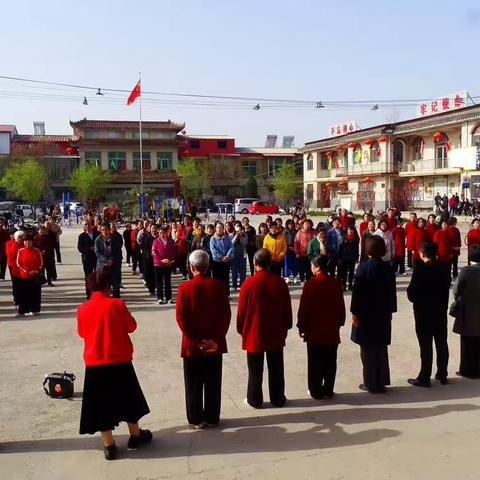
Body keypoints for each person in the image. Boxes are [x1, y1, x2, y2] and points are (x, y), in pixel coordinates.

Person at [77, 272, 152, 460]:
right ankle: (135, 436)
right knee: (128, 399)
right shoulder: (117, 304)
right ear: (108, 286)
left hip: (95, 361)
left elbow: (81, 333)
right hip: (119, 359)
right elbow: (131, 326)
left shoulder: (82, 308)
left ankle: (109, 445)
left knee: (101, 404)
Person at [176, 250, 231, 428]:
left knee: (193, 383)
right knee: (213, 381)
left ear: (192, 267)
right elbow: (225, 315)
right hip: (214, 344)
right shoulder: (219, 286)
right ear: (208, 266)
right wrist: (214, 339)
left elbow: (182, 318)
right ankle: (213, 416)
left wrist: (197, 340)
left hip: (193, 345)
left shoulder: (185, 288)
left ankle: (196, 418)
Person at [237, 249, 292, 408]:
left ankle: (254, 399)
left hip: (254, 332)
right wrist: (286, 326)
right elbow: (286, 308)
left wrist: (242, 330)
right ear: (270, 263)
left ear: (255, 264)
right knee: (276, 367)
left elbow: (241, 312)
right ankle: (277, 398)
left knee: (255, 369)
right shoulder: (279, 282)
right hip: (275, 331)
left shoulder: (248, 284)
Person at [350, 236, 397, 394]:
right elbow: (392, 293)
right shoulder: (388, 268)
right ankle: (381, 380)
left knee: (367, 349)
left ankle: (370, 382)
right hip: (383, 312)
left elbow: (357, 293)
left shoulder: (363, 268)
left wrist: (354, 312)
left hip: (366, 313)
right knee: (381, 347)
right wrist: (391, 310)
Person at [297, 255, 345, 399]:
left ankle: (315, 390)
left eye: (313, 265)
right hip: (331, 329)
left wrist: (302, 327)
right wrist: (340, 322)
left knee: (315, 362)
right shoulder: (335, 283)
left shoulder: (310, 284)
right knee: (330, 361)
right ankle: (328, 388)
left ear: (317, 267)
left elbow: (303, 308)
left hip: (314, 330)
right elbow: (340, 306)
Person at [407, 242, 450, 387]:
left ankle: (424, 376)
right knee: (441, 343)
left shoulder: (420, 270)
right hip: (439, 311)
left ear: (422, 253)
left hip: (423, 313)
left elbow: (411, 293)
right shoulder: (444, 269)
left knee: (425, 346)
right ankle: (442, 374)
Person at [452, 245, 480, 378]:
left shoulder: (466, 271)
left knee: (467, 343)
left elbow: (456, 290)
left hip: (468, 311)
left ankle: (467, 370)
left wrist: (459, 300)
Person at [16, 234, 43, 317]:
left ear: (32, 242)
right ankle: (22, 311)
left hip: (35, 276)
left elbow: (41, 263)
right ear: (24, 242)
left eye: (29, 241)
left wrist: (35, 271)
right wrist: (26, 271)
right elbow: (18, 263)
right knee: (23, 294)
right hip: (24, 276)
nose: (28, 243)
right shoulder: (20, 251)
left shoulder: (37, 251)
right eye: (26, 241)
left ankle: (35, 310)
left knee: (35, 294)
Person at [95, 223, 123, 298]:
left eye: (106, 230)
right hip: (102, 266)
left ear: (109, 230)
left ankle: (116, 300)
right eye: (102, 230)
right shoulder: (98, 239)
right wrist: (105, 260)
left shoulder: (115, 239)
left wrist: (111, 259)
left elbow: (118, 251)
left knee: (115, 285)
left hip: (113, 265)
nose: (104, 231)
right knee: (103, 286)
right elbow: (97, 252)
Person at [152, 226, 176, 304]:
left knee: (167, 282)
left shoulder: (170, 241)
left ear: (166, 233)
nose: (161, 234)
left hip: (167, 264)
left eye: (163, 233)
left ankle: (168, 297)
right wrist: (161, 260)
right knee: (159, 282)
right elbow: (154, 252)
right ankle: (160, 298)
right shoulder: (156, 241)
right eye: (160, 233)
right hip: (158, 264)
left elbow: (173, 251)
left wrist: (169, 260)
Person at [78, 222, 100, 299]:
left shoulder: (98, 234)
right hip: (87, 259)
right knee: (88, 277)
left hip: (97, 258)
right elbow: (80, 248)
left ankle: (98, 293)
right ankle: (89, 294)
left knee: (98, 276)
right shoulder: (82, 236)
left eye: (88, 224)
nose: (87, 226)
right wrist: (89, 248)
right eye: (85, 225)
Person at [210, 223, 233, 295]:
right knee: (217, 279)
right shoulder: (213, 239)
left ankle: (226, 294)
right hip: (217, 262)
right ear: (215, 229)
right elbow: (213, 250)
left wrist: (227, 256)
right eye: (217, 227)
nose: (219, 229)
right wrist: (221, 257)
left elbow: (231, 247)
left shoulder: (227, 237)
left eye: (221, 227)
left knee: (225, 278)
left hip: (226, 261)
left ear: (223, 229)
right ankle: (217, 294)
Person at [6, 230, 24, 307]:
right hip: (13, 266)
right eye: (19, 237)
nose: (21, 239)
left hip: (23, 266)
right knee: (16, 283)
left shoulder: (24, 243)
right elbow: (10, 254)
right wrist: (14, 243)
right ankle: (16, 299)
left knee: (23, 283)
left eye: (22, 237)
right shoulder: (9, 243)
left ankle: (23, 298)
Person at [140, 224, 158, 296]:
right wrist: (147, 254)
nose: (154, 230)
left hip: (157, 259)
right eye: (153, 228)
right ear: (150, 229)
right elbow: (143, 246)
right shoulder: (147, 237)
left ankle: (155, 288)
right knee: (149, 274)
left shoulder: (158, 237)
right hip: (148, 258)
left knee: (155, 274)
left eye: (155, 228)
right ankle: (151, 289)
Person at [340, 226, 359, 291]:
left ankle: (350, 286)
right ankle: (344, 286)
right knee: (344, 273)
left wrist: (357, 257)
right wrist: (340, 257)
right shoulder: (343, 237)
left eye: (352, 230)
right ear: (347, 230)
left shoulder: (356, 238)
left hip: (352, 258)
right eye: (349, 230)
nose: (350, 231)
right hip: (344, 258)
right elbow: (340, 248)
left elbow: (357, 249)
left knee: (351, 273)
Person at [230, 223, 247, 291]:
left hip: (242, 256)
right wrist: (236, 236)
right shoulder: (231, 234)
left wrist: (240, 236)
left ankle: (242, 285)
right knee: (234, 272)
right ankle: (234, 285)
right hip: (233, 256)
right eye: (236, 226)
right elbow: (232, 244)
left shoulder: (244, 234)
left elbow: (245, 243)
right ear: (234, 227)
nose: (238, 227)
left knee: (243, 272)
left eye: (239, 226)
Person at [283, 219, 298, 284]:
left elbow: (298, 241)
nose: (290, 225)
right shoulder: (284, 232)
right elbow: (283, 242)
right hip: (287, 250)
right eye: (289, 224)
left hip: (295, 250)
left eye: (291, 224)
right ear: (287, 225)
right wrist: (288, 247)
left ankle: (295, 276)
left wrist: (295, 249)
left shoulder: (296, 231)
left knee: (295, 264)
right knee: (287, 264)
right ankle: (287, 276)